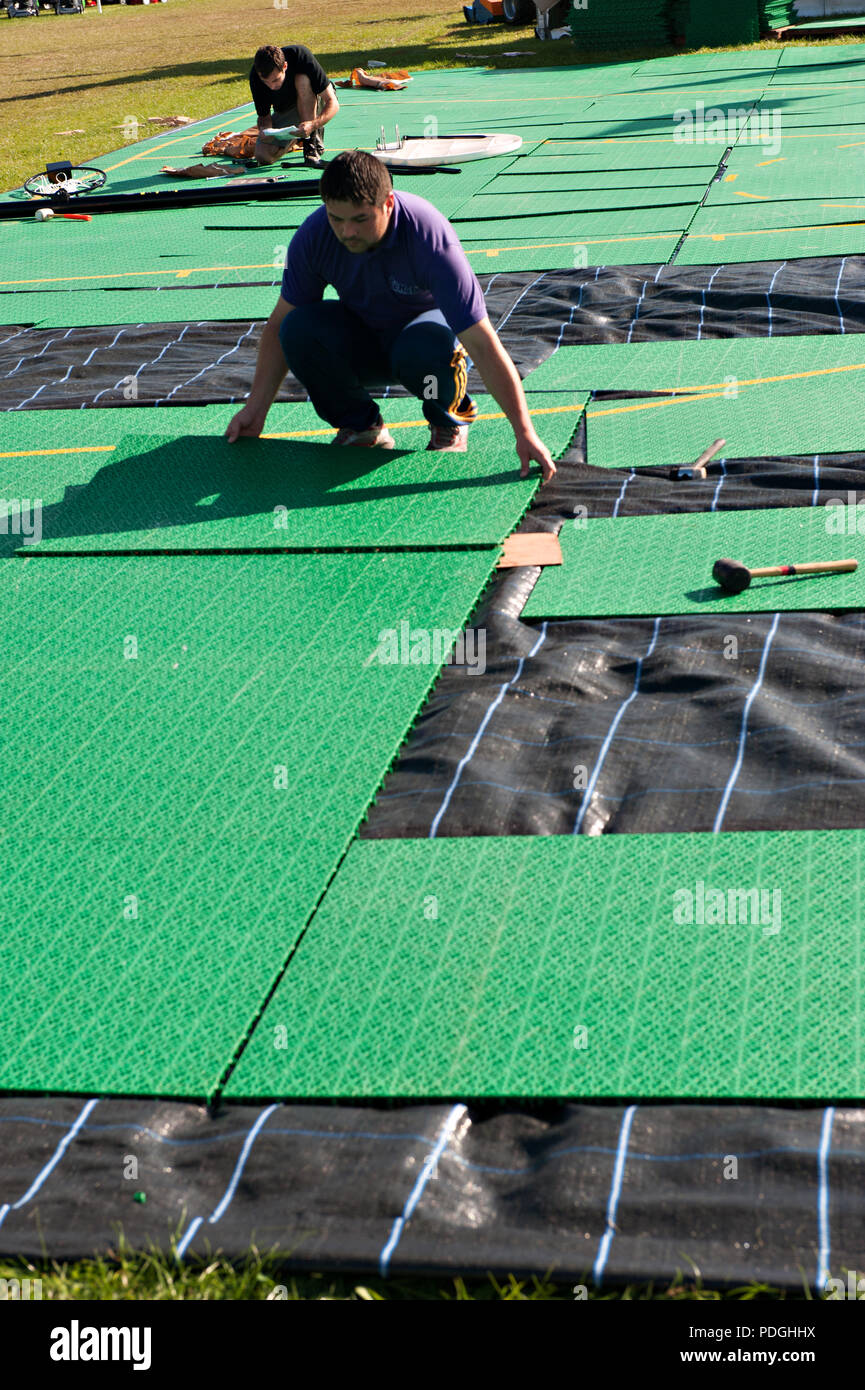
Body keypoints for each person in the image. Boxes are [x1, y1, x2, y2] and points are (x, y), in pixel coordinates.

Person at [226, 149, 555, 480]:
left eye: (360, 220)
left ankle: (447, 421)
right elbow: (279, 325)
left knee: (424, 345)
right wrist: (256, 409)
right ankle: (362, 427)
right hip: (368, 341)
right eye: (336, 218)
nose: (346, 232)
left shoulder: (428, 238)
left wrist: (524, 431)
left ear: (388, 204)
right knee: (297, 329)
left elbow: (482, 343)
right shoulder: (314, 237)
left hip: (426, 350)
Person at [250, 43, 339, 169]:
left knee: (302, 79)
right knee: (263, 156)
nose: (272, 86)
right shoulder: (255, 76)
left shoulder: (300, 55)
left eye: (275, 80)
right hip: (288, 108)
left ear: (285, 66)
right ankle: (297, 137)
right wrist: (266, 131)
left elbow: (333, 103)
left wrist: (313, 125)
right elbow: (264, 116)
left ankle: (310, 146)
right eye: (266, 82)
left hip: (316, 98)